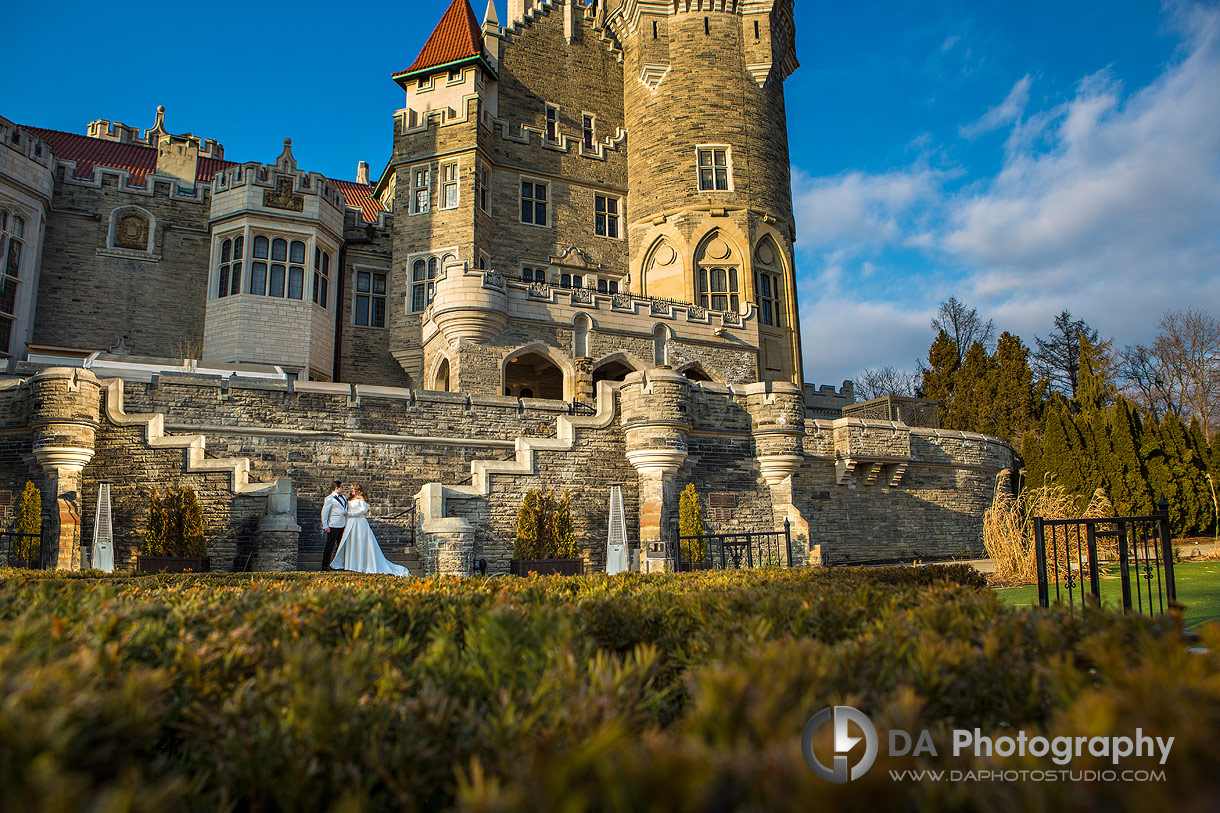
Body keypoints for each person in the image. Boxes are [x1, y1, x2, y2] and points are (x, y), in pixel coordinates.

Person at [330, 483, 410, 576]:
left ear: (357, 489)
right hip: (349, 523)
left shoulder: (361, 498)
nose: (351, 490)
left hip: (358, 522)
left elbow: (363, 511)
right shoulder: (348, 499)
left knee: (360, 542)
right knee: (351, 542)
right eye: (351, 489)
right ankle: (350, 564)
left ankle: (360, 565)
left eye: (353, 489)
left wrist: (350, 514)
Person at [320, 480, 347, 572]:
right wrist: (325, 525)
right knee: (330, 546)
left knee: (341, 546)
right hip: (333, 525)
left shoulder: (344, 497)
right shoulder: (329, 498)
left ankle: (339, 564)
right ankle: (324, 565)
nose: (343, 489)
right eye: (342, 487)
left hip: (343, 524)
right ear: (337, 488)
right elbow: (324, 512)